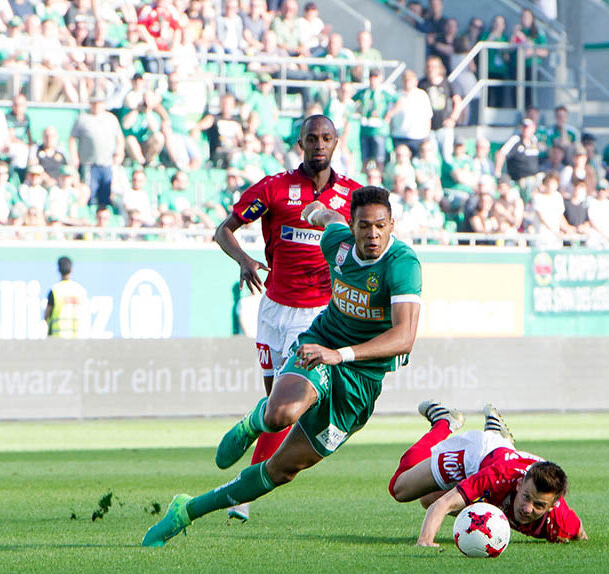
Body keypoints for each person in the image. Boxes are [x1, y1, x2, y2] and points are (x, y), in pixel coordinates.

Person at [143, 186, 422, 547]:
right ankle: (254, 422)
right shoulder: (337, 243)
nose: (373, 235)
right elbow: (328, 218)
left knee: (281, 470)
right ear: (352, 226)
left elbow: (404, 337)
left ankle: (186, 510)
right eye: (364, 226)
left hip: (360, 381)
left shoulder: (403, 264)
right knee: (281, 414)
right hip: (320, 344)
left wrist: (343, 356)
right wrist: (316, 210)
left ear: (391, 225)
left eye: (380, 226)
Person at [213, 114, 362, 522]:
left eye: (326, 138)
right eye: (311, 138)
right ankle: (253, 441)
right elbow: (224, 230)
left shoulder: (352, 196)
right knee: (271, 402)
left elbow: (371, 244)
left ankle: (242, 491)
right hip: (273, 308)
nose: (319, 145)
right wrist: (244, 259)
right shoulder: (274, 188)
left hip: (315, 314)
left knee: (284, 401)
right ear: (300, 143)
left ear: (336, 143)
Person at [389, 400, 587, 546]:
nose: (527, 508)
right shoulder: (498, 476)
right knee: (400, 489)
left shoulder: (559, 522)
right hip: (478, 456)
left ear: (552, 507)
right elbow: (444, 504)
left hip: (507, 458)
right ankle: (444, 422)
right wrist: (425, 541)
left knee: (428, 499)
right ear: (519, 485)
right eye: (526, 497)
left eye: (539, 505)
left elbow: (579, 533)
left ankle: (497, 433)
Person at [43, 256, 89, 338]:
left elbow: (46, 315)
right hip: (78, 338)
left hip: (58, 337)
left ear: (58, 270)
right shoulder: (80, 290)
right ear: (71, 270)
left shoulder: (55, 290)